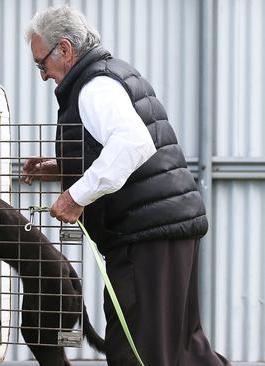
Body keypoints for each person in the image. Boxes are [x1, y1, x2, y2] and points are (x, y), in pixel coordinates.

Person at [21, 6, 230, 366]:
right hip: (167, 228)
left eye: (42, 64)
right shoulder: (112, 74)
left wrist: (76, 195)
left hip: (145, 237)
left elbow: (133, 144)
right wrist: (63, 168)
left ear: (66, 50)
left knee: (137, 350)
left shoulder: (94, 87)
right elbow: (118, 150)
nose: (42, 76)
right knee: (183, 350)